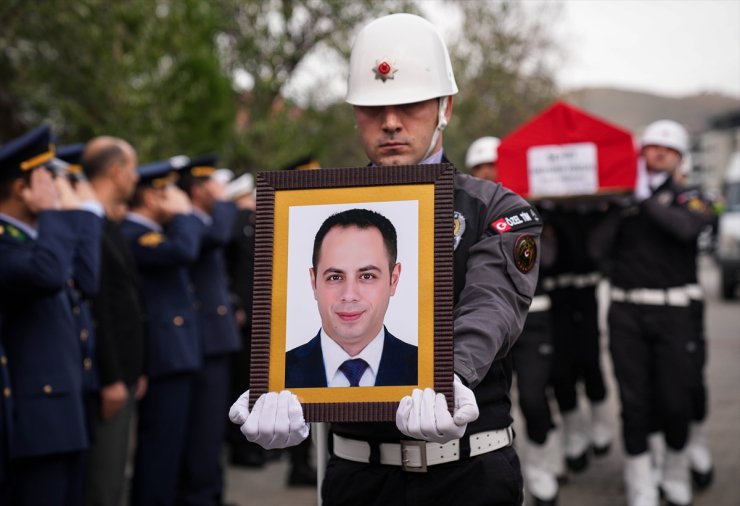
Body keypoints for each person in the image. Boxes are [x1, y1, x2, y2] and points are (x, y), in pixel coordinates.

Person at [231, 13, 542, 506]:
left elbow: (495, 302)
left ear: (446, 107)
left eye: (411, 104)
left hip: (468, 475)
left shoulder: (495, 208)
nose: (392, 122)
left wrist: (451, 376)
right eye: (374, 108)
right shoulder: (313, 209)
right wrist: (277, 387)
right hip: (359, 478)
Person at [589, 120, 716, 506]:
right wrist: (622, 206)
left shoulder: (692, 196)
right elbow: (596, 250)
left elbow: (685, 229)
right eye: (651, 147)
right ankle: (641, 481)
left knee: (676, 399)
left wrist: (643, 201)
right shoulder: (621, 200)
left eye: (667, 148)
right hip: (627, 312)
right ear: (640, 153)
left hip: (675, 312)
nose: (658, 153)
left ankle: (676, 468)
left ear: (679, 157)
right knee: (635, 402)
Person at [0, 124, 103, 505]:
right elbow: (47, 275)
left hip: (63, 412)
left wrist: (81, 214)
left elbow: (87, 280)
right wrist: (55, 214)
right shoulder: (8, 245)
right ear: (21, 189)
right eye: (48, 176)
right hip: (34, 423)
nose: (58, 186)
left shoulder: (37, 240)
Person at [122, 157, 206, 506]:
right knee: (159, 450)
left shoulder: (155, 234)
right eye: (169, 190)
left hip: (177, 353)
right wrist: (186, 214)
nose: (178, 197)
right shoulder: (134, 234)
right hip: (163, 357)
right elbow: (185, 251)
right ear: (152, 198)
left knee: (172, 449)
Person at [80, 136, 148, 506]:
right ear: (117, 171)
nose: (136, 178)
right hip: (108, 376)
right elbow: (99, 306)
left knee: (114, 477)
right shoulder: (89, 223)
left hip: (123, 372)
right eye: (133, 169)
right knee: (102, 485)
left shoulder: (107, 222)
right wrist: (111, 377)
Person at [285, 208, 417, 389]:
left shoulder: (425, 372)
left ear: (393, 280)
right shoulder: (278, 376)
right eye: (335, 277)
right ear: (314, 282)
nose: (349, 295)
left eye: (367, 276)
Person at [177, 155, 242, 505]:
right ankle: (201, 494)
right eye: (213, 185)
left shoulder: (198, 222)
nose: (220, 191)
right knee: (202, 429)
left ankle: (210, 491)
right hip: (202, 341)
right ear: (200, 189)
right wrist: (225, 200)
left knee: (211, 427)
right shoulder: (192, 223)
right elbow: (220, 233)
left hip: (214, 339)